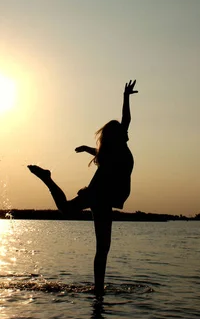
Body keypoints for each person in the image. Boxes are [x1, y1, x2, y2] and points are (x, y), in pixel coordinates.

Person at [28, 80, 138, 296]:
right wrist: (125, 97)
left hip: (101, 196)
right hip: (102, 196)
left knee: (65, 209)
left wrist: (88, 148)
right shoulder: (117, 149)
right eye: (122, 131)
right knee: (102, 248)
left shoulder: (111, 151)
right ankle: (98, 291)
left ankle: (48, 179)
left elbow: (109, 141)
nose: (127, 133)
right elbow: (126, 119)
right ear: (117, 136)